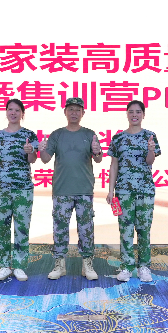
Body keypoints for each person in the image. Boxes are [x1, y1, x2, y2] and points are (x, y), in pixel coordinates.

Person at [39, 97, 103, 280]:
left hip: (84, 189)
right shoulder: (57, 134)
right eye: (71, 109)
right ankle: (59, 264)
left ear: (83, 113)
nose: (74, 113)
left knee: (86, 229)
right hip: (62, 189)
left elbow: (98, 159)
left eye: (77, 110)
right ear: (65, 112)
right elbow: (45, 159)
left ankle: (87, 264)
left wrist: (97, 151)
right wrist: (41, 149)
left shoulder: (89, 134)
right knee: (60, 228)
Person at [106, 100, 161, 282]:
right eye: (131, 112)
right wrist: (110, 190)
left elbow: (150, 161)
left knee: (144, 229)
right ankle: (127, 266)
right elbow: (114, 165)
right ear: (127, 114)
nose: (134, 115)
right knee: (126, 230)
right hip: (123, 192)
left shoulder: (150, 136)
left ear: (143, 115)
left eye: (138, 112)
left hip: (145, 190)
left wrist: (151, 150)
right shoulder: (118, 138)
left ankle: (144, 266)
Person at [0, 99, 39, 282]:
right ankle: (3, 265)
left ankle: (19, 265)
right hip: (1, 189)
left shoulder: (29, 135)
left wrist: (30, 150)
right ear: (6, 112)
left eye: (17, 110)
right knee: (2, 227)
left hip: (23, 189)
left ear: (22, 113)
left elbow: (32, 160)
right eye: (10, 109)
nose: (13, 113)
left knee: (22, 227)